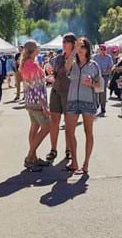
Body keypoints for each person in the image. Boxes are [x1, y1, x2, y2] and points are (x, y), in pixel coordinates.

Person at [65, 37, 101, 174]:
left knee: (88, 132)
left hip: (88, 101)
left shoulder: (93, 65)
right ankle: (74, 162)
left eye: (83, 47)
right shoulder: (72, 63)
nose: (80, 49)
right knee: (69, 131)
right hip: (72, 100)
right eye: (78, 46)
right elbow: (66, 68)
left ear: (88, 49)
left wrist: (91, 84)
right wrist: (73, 50)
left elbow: (100, 85)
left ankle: (86, 164)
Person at [20, 40, 51, 171]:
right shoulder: (33, 66)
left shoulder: (25, 64)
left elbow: (34, 83)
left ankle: (33, 157)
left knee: (34, 126)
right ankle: (29, 156)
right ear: (33, 51)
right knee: (47, 126)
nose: (39, 50)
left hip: (29, 101)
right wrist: (45, 106)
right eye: (38, 48)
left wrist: (45, 78)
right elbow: (37, 88)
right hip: (37, 102)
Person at [46, 33, 76, 165]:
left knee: (69, 124)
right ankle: (53, 149)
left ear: (73, 44)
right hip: (56, 91)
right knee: (54, 122)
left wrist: (74, 53)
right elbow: (51, 71)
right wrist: (50, 73)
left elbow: (69, 70)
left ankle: (68, 150)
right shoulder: (58, 58)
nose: (64, 43)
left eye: (67, 41)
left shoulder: (77, 59)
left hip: (70, 93)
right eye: (63, 41)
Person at [92, 45, 114, 116]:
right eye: (101, 49)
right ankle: (96, 105)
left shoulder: (108, 57)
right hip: (96, 75)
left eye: (104, 49)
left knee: (103, 91)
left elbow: (111, 67)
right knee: (95, 90)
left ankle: (103, 107)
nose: (102, 51)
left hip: (105, 75)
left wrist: (106, 70)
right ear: (99, 50)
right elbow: (92, 65)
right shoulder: (95, 57)